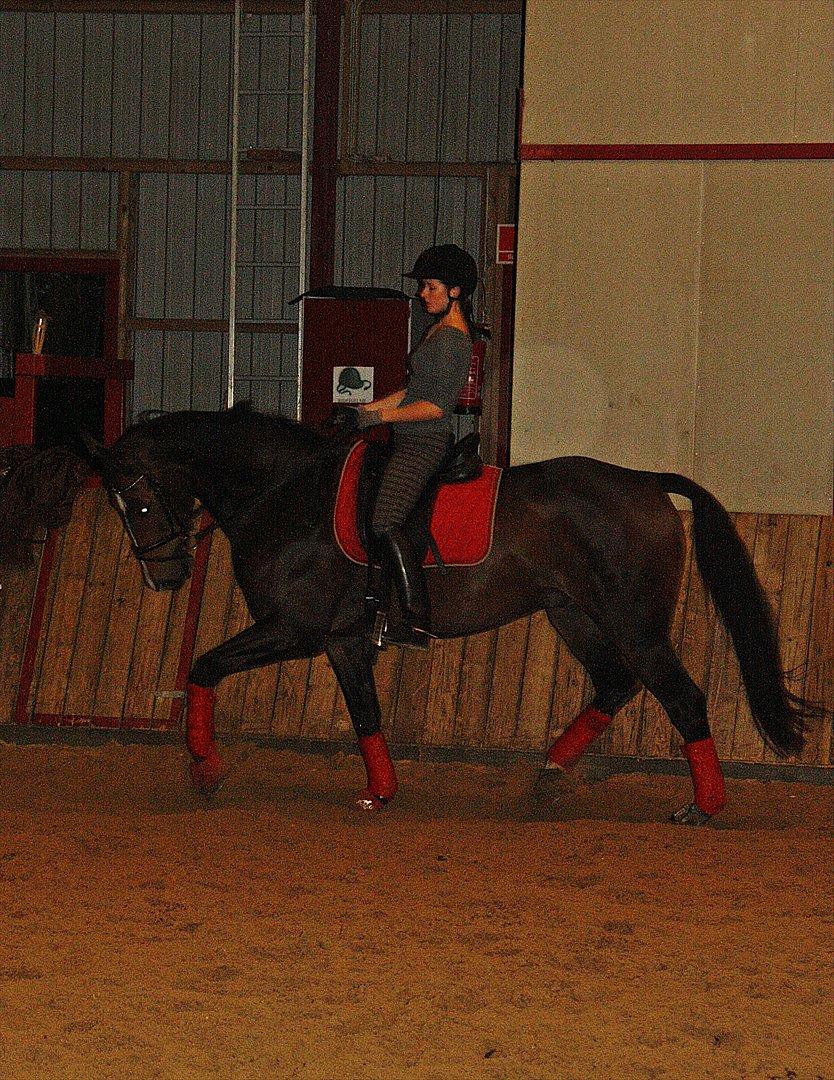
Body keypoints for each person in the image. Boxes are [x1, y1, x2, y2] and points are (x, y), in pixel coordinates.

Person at [354, 243, 477, 648]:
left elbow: (434, 407)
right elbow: (412, 391)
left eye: (430, 287)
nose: (422, 294)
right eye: (423, 286)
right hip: (408, 438)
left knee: (385, 521)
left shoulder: (453, 339)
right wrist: (365, 409)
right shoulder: (436, 331)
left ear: (454, 291)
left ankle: (415, 619)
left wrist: (379, 418)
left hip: (424, 444)